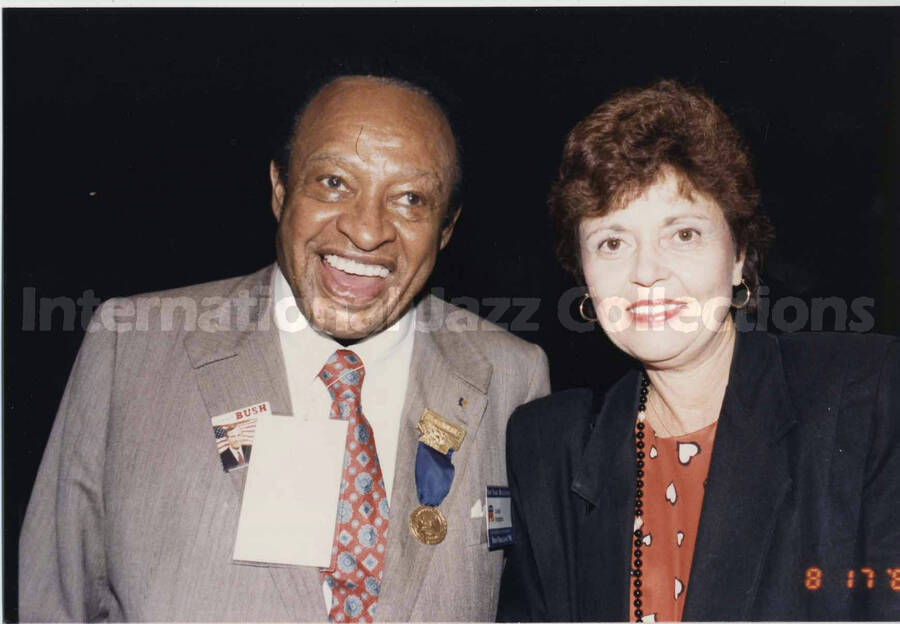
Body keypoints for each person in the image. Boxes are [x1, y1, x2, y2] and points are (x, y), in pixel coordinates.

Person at [20, 74, 550, 622]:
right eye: (334, 183)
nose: (367, 231)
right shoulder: (131, 347)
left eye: (411, 198)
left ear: (445, 228)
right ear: (280, 190)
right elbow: (52, 601)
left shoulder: (512, 377)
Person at [497, 80, 899, 621]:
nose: (645, 273)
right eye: (612, 242)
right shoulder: (548, 447)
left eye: (683, 234)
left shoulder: (868, 400)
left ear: (739, 258)